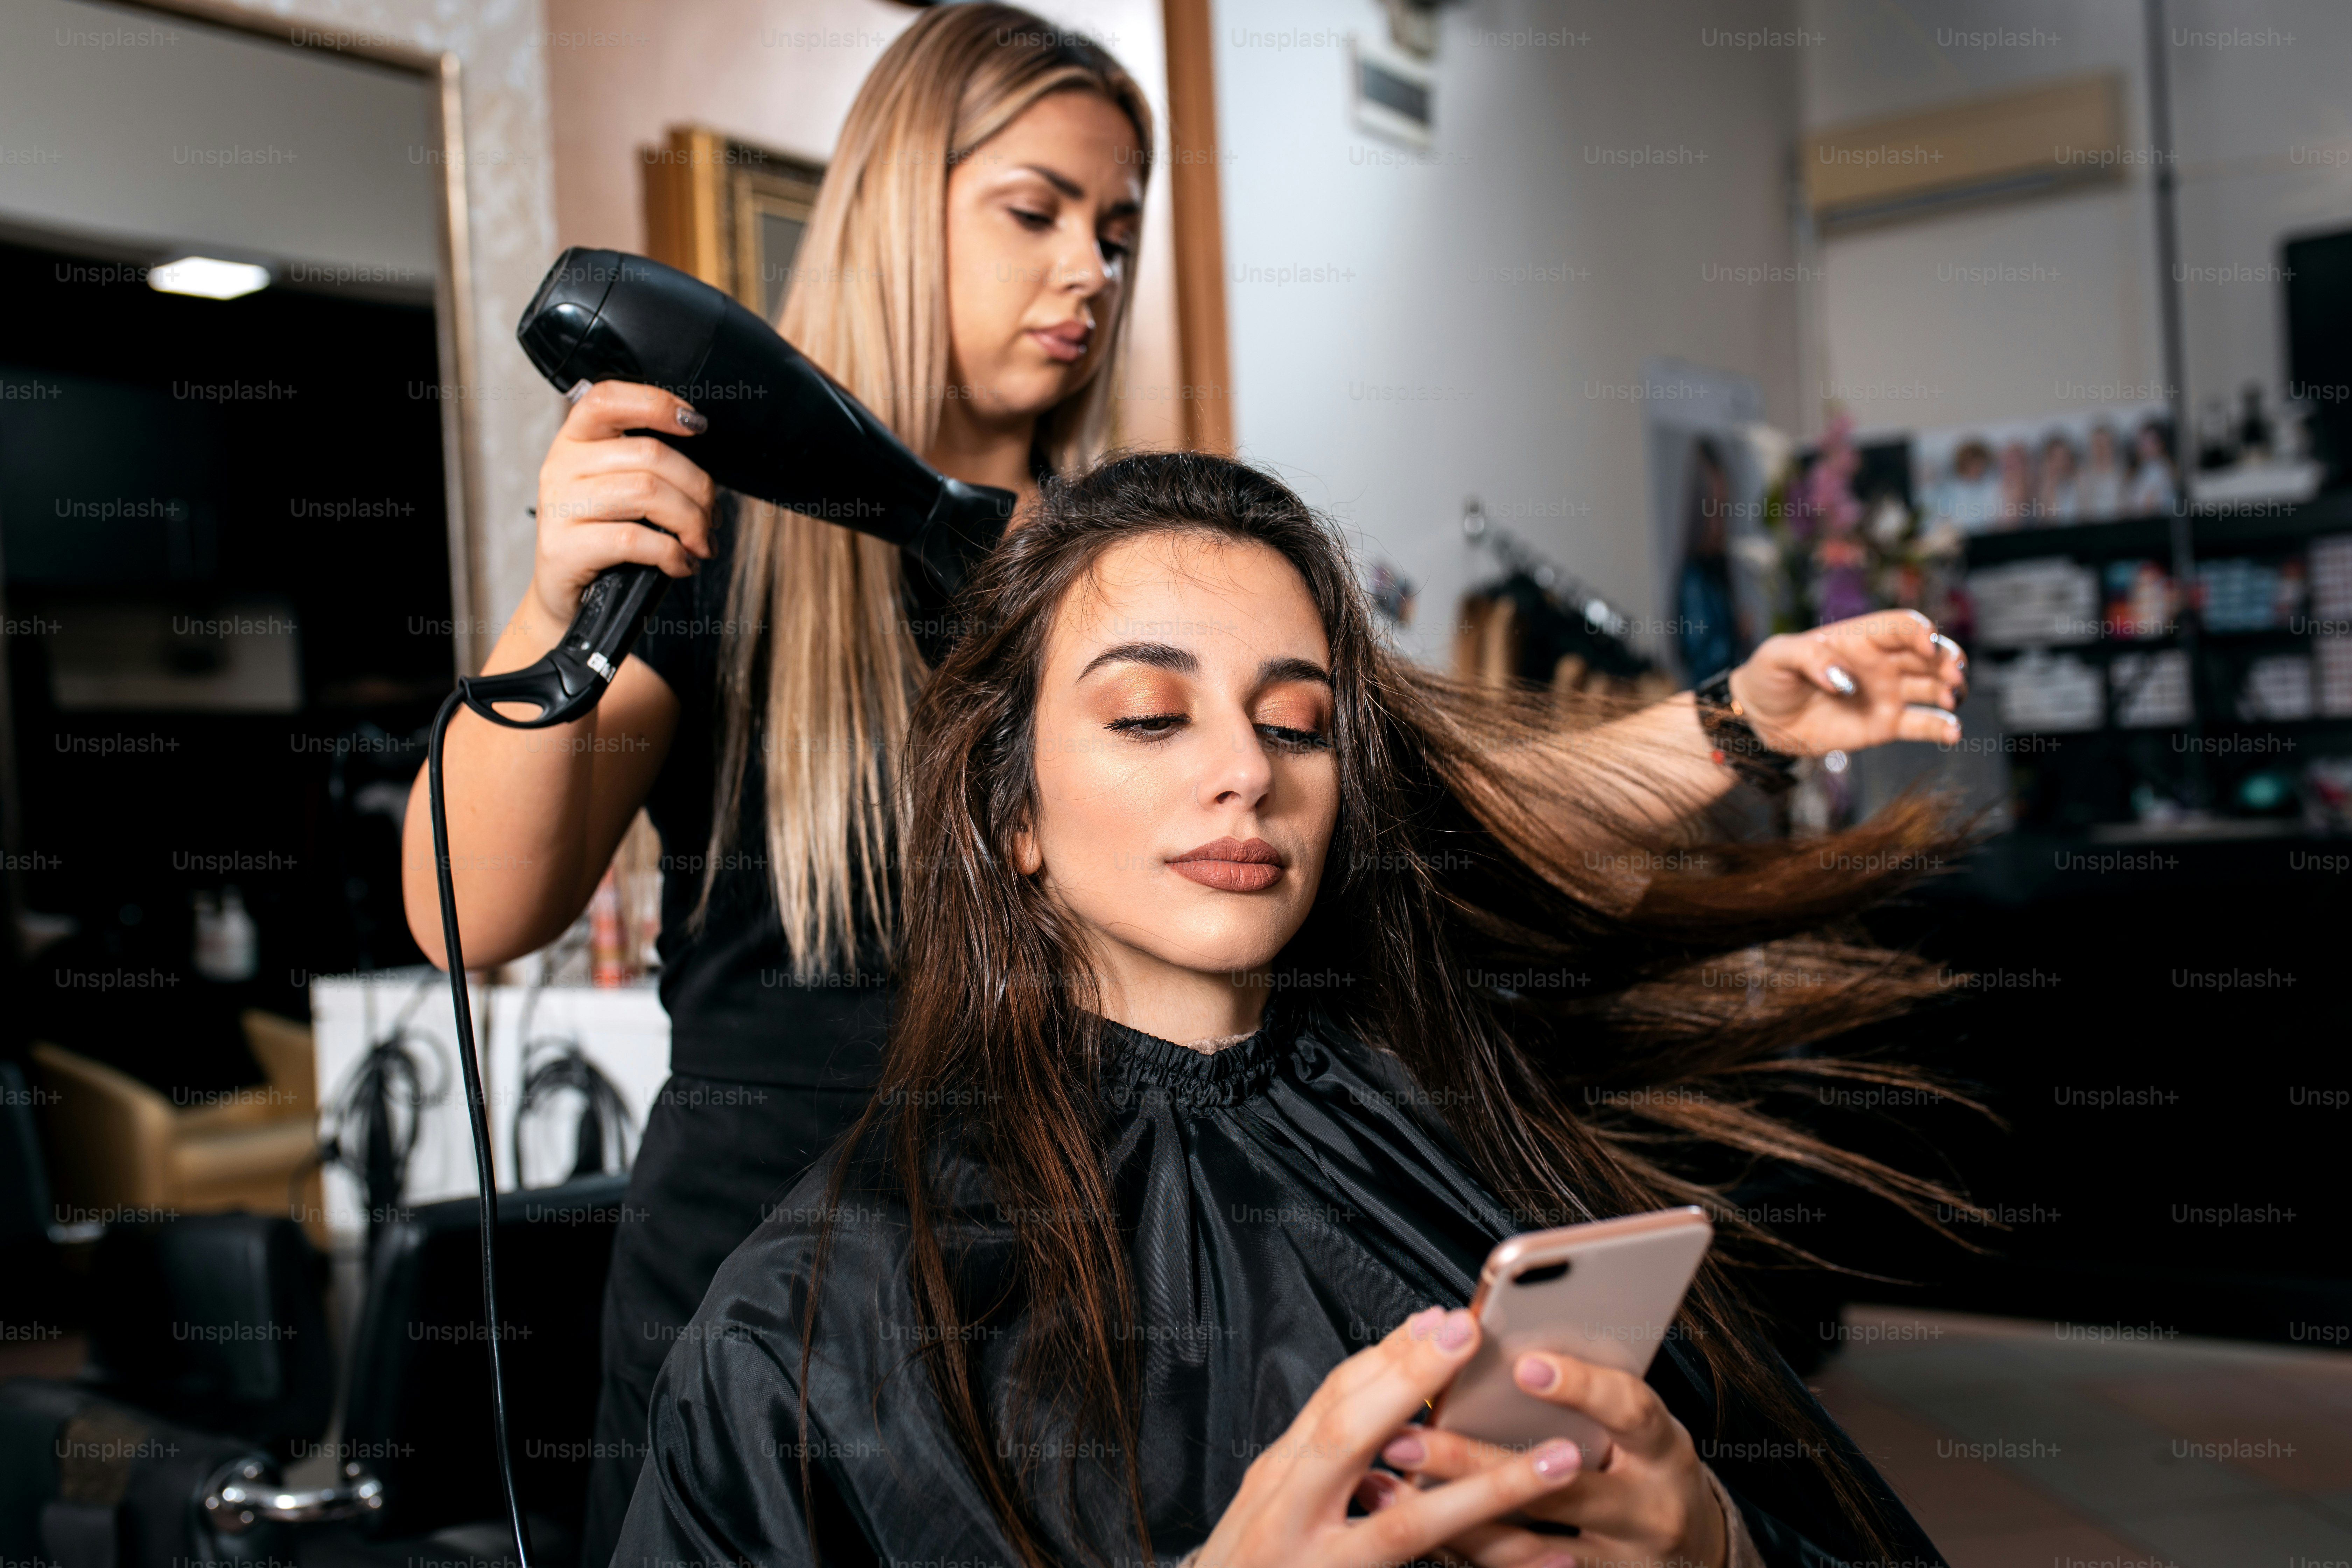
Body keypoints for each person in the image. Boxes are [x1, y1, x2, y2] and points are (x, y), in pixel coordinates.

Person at [615, 453, 1968, 1567]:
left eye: (1299, 725)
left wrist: (1716, 1549)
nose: (1245, 772)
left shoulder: (1452, 1128)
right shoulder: (806, 1327)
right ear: (1011, 812)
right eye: (1150, 716)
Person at [397, 9, 1155, 1556]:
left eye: (1117, 231)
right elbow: (471, 912)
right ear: (894, 208)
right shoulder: (725, 541)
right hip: (749, 1308)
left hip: (1060, 1296)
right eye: (1036, 210)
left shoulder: (1132, 576)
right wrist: (552, 612)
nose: (1090, 269)